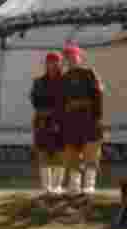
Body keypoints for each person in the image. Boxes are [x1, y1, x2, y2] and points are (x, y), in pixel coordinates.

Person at [59, 41, 104, 196]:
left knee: (91, 153)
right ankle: (74, 186)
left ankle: (89, 186)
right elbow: (61, 102)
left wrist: (97, 117)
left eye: (73, 56)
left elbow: (98, 95)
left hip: (89, 119)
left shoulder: (89, 73)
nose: (71, 59)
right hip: (71, 122)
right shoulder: (63, 78)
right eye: (68, 56)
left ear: (79, 57)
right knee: (72, 155)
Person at [30, 51, 65, 196]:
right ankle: (46, 187)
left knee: (59, 154)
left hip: (61, 121)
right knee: (43, 153)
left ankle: (57, 186)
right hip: (42, 121)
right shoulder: (38, 82)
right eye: (50, 61)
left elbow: (65, 101)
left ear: (60, 63)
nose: (52, 64)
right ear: (46, 64)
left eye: (55, 61)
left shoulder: (65, 81)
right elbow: (35, 100)